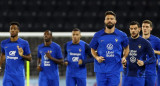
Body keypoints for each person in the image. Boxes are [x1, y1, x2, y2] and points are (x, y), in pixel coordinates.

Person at [89, 11, 129, 86]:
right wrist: (97, 57)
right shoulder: (98, 35)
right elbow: (92, 49)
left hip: (115, 69)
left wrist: (124, 57)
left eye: (111, 18)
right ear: (104, 21)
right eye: (107, 19)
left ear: (115, 21)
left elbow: (126, 48)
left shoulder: (122, 35)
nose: (109, 20)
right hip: (101, 69)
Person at [122, 21, 156, 86]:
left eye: (135, 28)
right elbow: (120, 55)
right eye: (131, 29)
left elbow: (153, 58)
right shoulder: (125, 41)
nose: (133, 30)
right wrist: (122, 60)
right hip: (126, 76)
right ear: (129, 30)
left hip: (139, 77)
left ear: (139, 29)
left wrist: (144, 62)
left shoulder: (145, 42)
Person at [0, 22, 32, 86]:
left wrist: (22, 55)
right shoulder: (4, 43)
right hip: (8, 75)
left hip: (19, 76)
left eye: (14, 29)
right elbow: (3, 54)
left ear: (18, 31)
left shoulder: (24, 43)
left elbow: (30, 58)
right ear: (9, 30)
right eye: (11, 29)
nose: (12, 30)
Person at [141, 20, 160, 86]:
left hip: (151, 73)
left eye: (147, 27)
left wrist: (154, 51)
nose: (145, 28)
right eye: (143, 26)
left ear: (151, 28)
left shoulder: (156, 40)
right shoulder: (137, 39)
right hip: (139, 72)